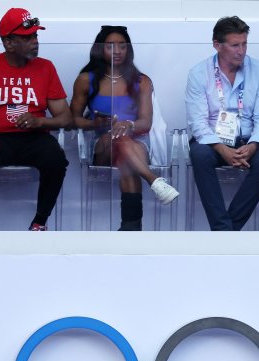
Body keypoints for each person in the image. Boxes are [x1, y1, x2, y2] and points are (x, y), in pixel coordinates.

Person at [0, 7, 71, 231]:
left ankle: (39, 222)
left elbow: (66, 117)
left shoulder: (46, 67)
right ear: (8, 43)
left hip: (34, 137)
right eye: (27, 37)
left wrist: (41, 122)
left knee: (56, 160)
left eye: (36, 36)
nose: (35, 42)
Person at [70, 26, 179, 231]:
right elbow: (72, 120)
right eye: (111, 46)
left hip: (137, 144)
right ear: (100, 49)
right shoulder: (86, 80)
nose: (117, 51)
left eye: (122, 46)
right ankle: (154, 182)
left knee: (125, 157)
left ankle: (131, 228)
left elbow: (145, 122)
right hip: (102, 145)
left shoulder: (142, 81)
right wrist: (95, 123)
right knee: (117, 140)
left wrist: (128, 124)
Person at [185, 16, 259, 231]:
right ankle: (224, 229)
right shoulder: (199, 73)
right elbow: (197, 122)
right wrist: (221, 148)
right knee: (199, 155)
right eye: (235, 45)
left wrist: (253, 145)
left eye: (244, 43)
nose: (241, 51)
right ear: (217, 45)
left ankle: (226, 231)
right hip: (212, 142)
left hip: (246, 141)